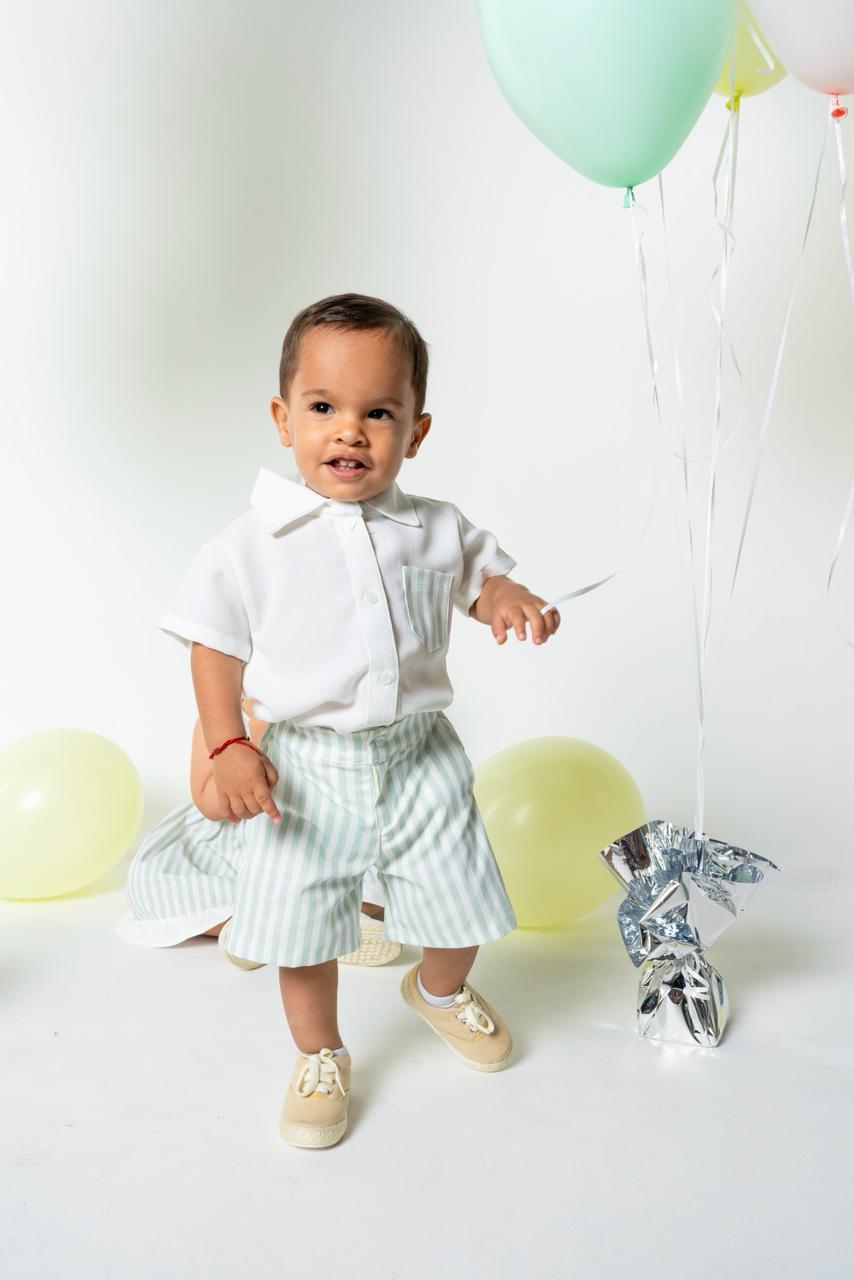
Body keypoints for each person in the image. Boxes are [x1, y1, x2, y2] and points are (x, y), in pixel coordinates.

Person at [146, 292, 561, 1149]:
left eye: (379, 413)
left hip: (421, 757)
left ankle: (438, 990)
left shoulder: (435, 528)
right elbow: (214, 649)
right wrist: (228, 744)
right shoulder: (250, 544)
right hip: (305, 767)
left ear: (416, 431)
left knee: (461, 899)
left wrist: (508, 598)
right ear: (282, 418)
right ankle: (320, 1054)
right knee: (303, 928)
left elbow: (481, 582)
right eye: (323, 408)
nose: (350, 431)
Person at [115, 696, 398, 969]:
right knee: (150, 884)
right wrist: (248, 753)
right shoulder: (219, 720)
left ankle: (346, 922)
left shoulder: (326, 707)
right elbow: (208, 803)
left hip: (317, 831)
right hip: (234, 843)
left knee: (373, 865)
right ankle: (243, 927)